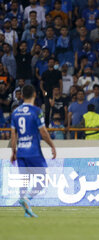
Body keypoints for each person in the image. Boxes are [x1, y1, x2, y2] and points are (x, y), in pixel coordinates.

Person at [10, 84, 56, 217]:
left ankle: (26, 207)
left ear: (22, 96)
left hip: (21, 152)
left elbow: (14, 135)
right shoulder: (36, 111)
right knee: (44, 180)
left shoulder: (15, 112)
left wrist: (14, 151)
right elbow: (43, 132)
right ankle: (27, 199)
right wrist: (52, 145)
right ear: (35, 95)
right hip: (34, 151)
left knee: (25, 180)